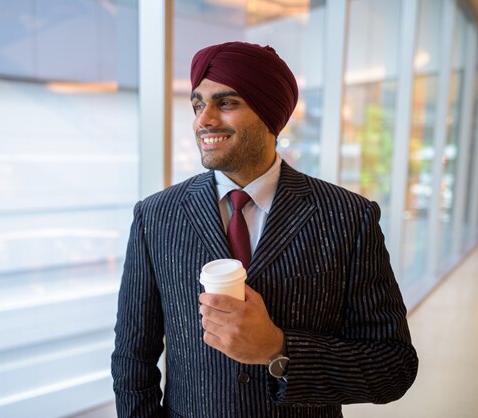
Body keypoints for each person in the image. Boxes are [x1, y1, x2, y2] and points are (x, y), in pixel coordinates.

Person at [111, 41, 418, 418]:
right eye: (197, 104)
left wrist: (279, 348)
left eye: (226, 103)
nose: (203, 120)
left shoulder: (347, 217)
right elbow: (132, 359)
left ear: (270, 114)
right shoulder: (156, 217)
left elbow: (393, 365)